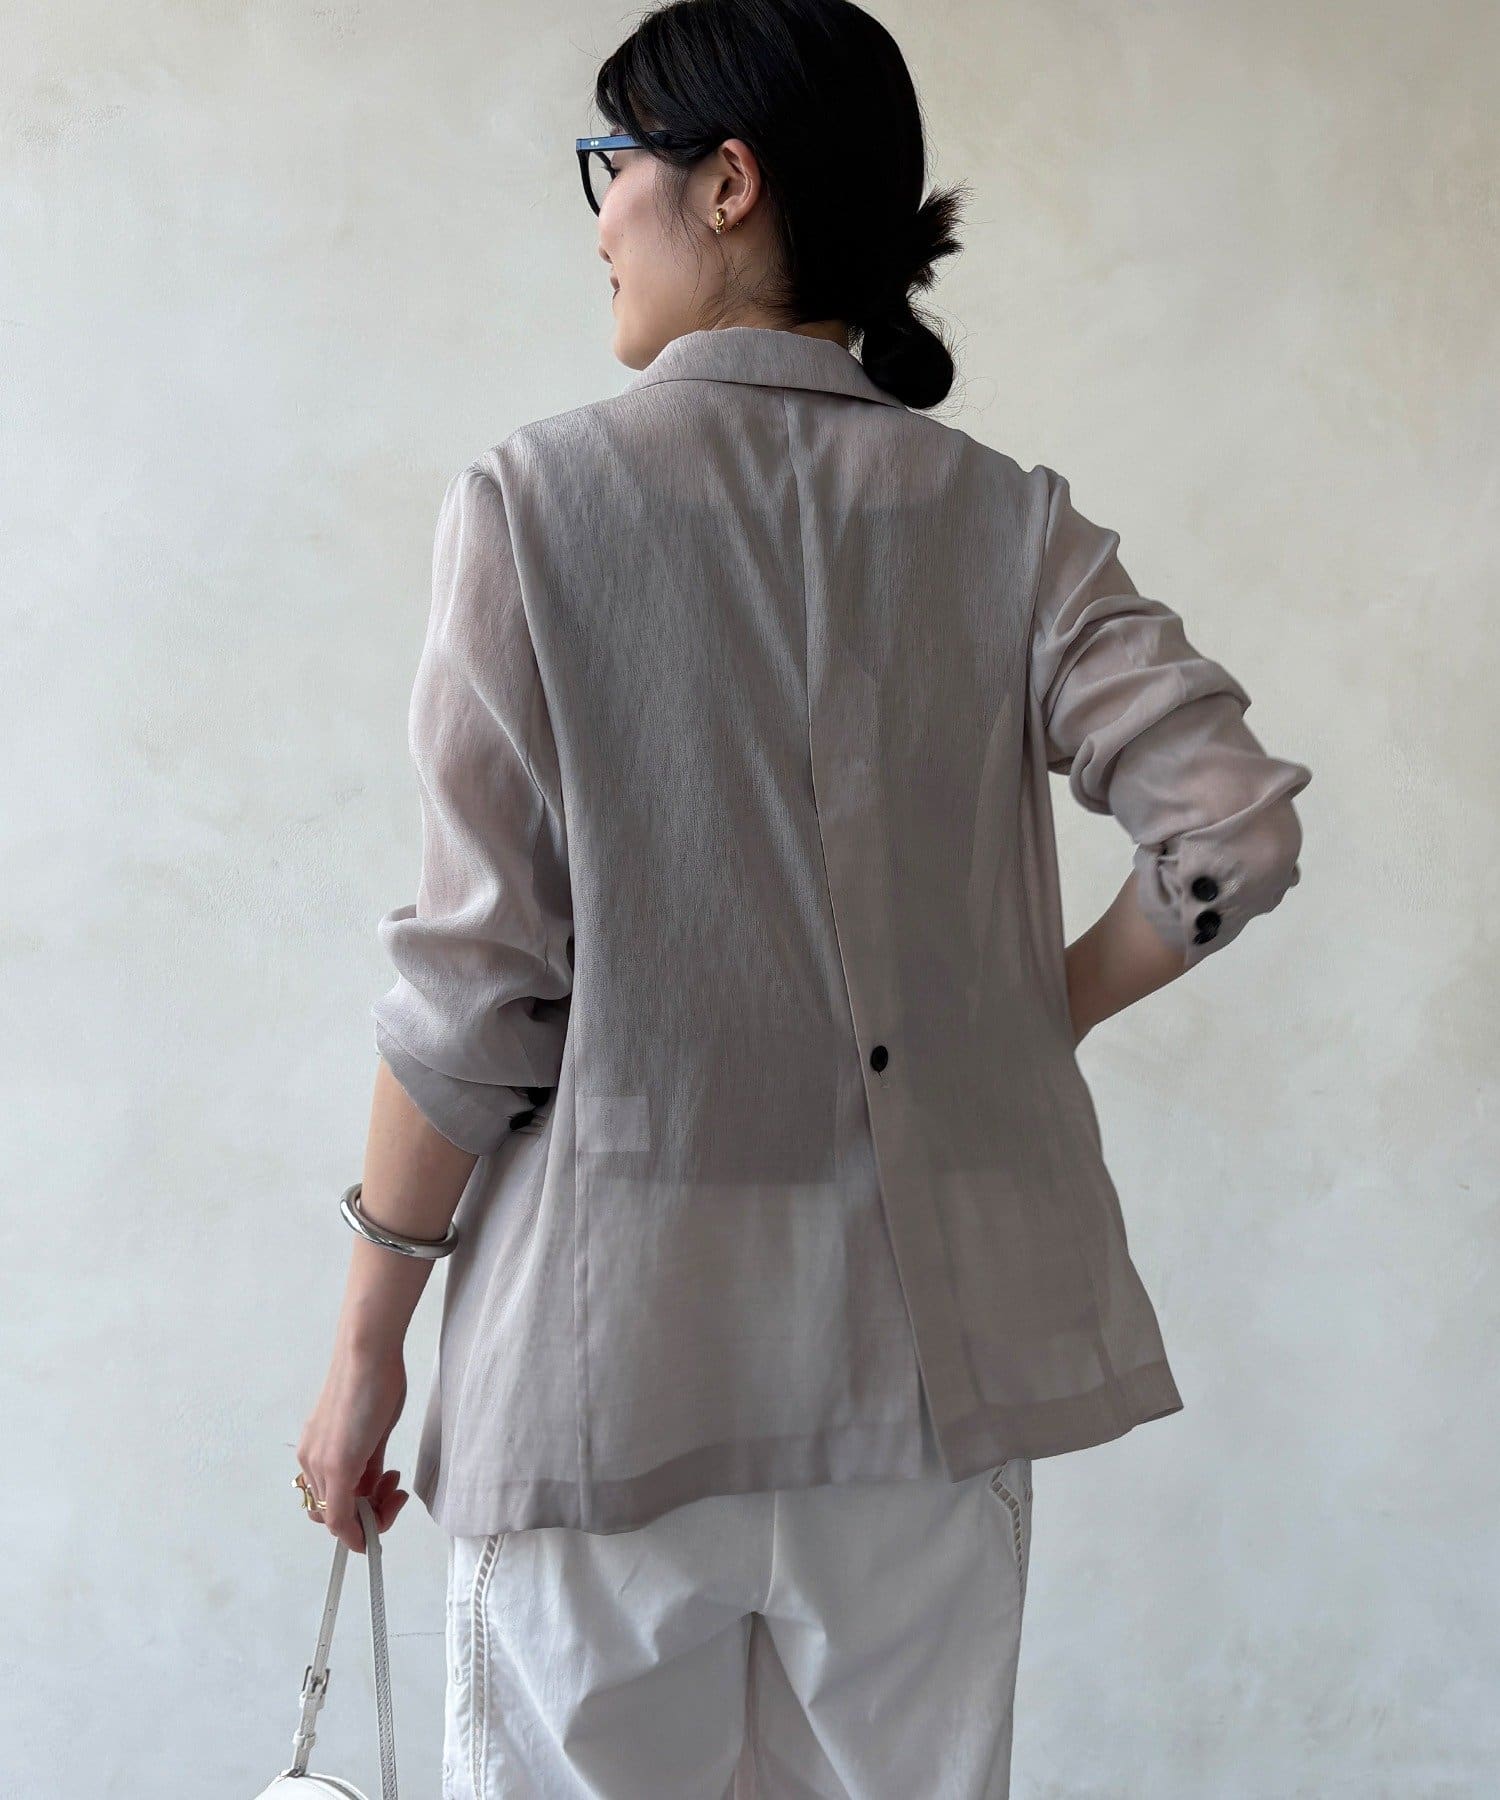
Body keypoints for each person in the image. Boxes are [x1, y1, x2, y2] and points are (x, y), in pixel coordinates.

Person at [294, 1, 1313, 1794]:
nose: (598, 219)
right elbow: (1231, 829)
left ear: (730, 183)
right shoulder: (1007, 523)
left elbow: (477, 989)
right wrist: (1033, 1008)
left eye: (614, 166)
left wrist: (366, 1345)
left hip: (609, 1383)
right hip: (921, 1394)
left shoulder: (535, 504)